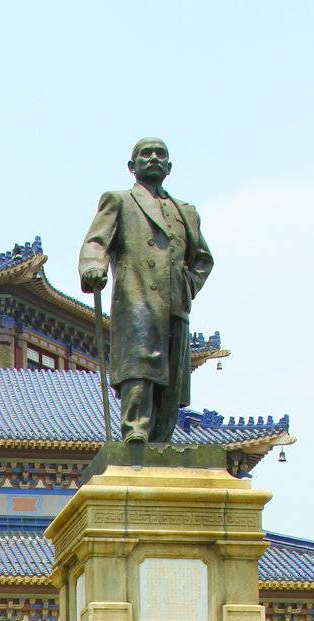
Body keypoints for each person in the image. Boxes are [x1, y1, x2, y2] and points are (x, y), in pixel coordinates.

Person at [79, 138, 213, 445]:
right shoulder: (119, 201)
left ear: (169, 166)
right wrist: (92, 267)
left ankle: (162, 437)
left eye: (160, 154)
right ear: (132, 166)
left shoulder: (186, 212)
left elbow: (203, 259)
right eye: (145, 154)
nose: (153, 158)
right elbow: (96, 241)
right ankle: (135, 428)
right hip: (137, 296)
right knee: (140, 364)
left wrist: (187, 284)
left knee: (172, 374)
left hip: (175, 303)